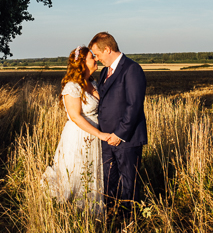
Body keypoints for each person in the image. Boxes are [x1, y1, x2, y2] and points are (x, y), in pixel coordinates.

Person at [41, 46, 111, 211]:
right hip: (79, 135)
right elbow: (75, 116)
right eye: (92, 57)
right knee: (77, 172)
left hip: (94, 135)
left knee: (93, 172)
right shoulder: (72, 87)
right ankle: (72, 210)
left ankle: (91, 210)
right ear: (82, 63)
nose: (96, 59)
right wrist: (100, 134)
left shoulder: (93, 83)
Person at [88, 32, 147, 219]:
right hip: (106, 138)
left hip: (127, 139)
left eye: (97, 54)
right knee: (109, 181)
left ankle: (130, 221)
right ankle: (111, 218)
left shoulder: (132, 69)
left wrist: (119, 134)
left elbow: (134, 106)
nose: (96, 59)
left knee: (130, 182)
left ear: (107, 49)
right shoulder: (105, 71)